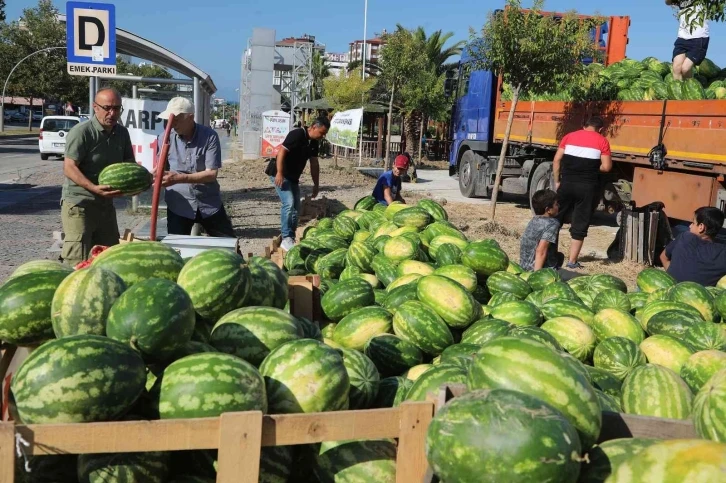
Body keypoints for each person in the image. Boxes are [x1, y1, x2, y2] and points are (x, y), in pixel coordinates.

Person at [60, 88, 135, 266]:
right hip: (79, 204)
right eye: (107, 108)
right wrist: (93, 188)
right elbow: (69, 167)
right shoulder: (82, 132)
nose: (112, 113)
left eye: (117, 108)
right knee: (78, 259)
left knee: (109, 258)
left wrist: (147, 178)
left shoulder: (122, 133)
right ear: (95, 107)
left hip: (105, 205)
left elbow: (130, 165)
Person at [157, 97, 235, 237]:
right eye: (170, 118)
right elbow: (160, 169)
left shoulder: (209, 136)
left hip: (208, 202)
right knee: (177, 249)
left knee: (228, 243)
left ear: (190, 117)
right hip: (179, 204)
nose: (172, 123)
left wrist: (179, 178)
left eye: (176, 119)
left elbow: (211, 174)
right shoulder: (164, 138)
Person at [553, 116, 613, 269]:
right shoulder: (602, 141)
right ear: (600, 129)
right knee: (580, 222)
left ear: (583, 125)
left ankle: (550, 254)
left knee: (555, 220)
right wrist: (592, 168)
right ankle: (572, 261)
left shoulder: (569, 136)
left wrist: (557, 181)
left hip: (566, 184)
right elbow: (606, 167)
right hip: (587, 187)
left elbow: (557, 160)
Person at [271, 117, 330, 251]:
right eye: (321, 132)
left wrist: (316, 185)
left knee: (296, 207)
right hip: (279, 173)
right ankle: (286, 238)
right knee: (289, 203)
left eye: (325, 133)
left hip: (292, 177)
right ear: (313, 127)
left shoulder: (314, 143)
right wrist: (279, 172)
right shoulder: (297, 134)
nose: (323, 136)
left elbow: (314, 164)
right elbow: (281, 152)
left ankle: (290, 237)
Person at [660, 207, 726, 286]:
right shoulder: (722, 253)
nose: (690, 226)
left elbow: (663, 257)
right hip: (701, 296)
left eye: (693, 223)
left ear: (701, 227)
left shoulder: (685, 237)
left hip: (670, 290)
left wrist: (672, 278)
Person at [520, 189, 565, 272]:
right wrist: (537, 276)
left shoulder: (534, 220)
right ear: (548, 209)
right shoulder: (552, 224)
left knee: (559, 256)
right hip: (536, 269)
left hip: (524, 267)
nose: (558, 206)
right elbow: (541, 250)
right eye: (556, 204)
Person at [667, 0, 710, 81]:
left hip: (698, 38)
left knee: (685, 69)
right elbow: (667, 2)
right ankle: (679, 92)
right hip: (682, 38)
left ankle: (690, 91)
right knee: (676, 69)